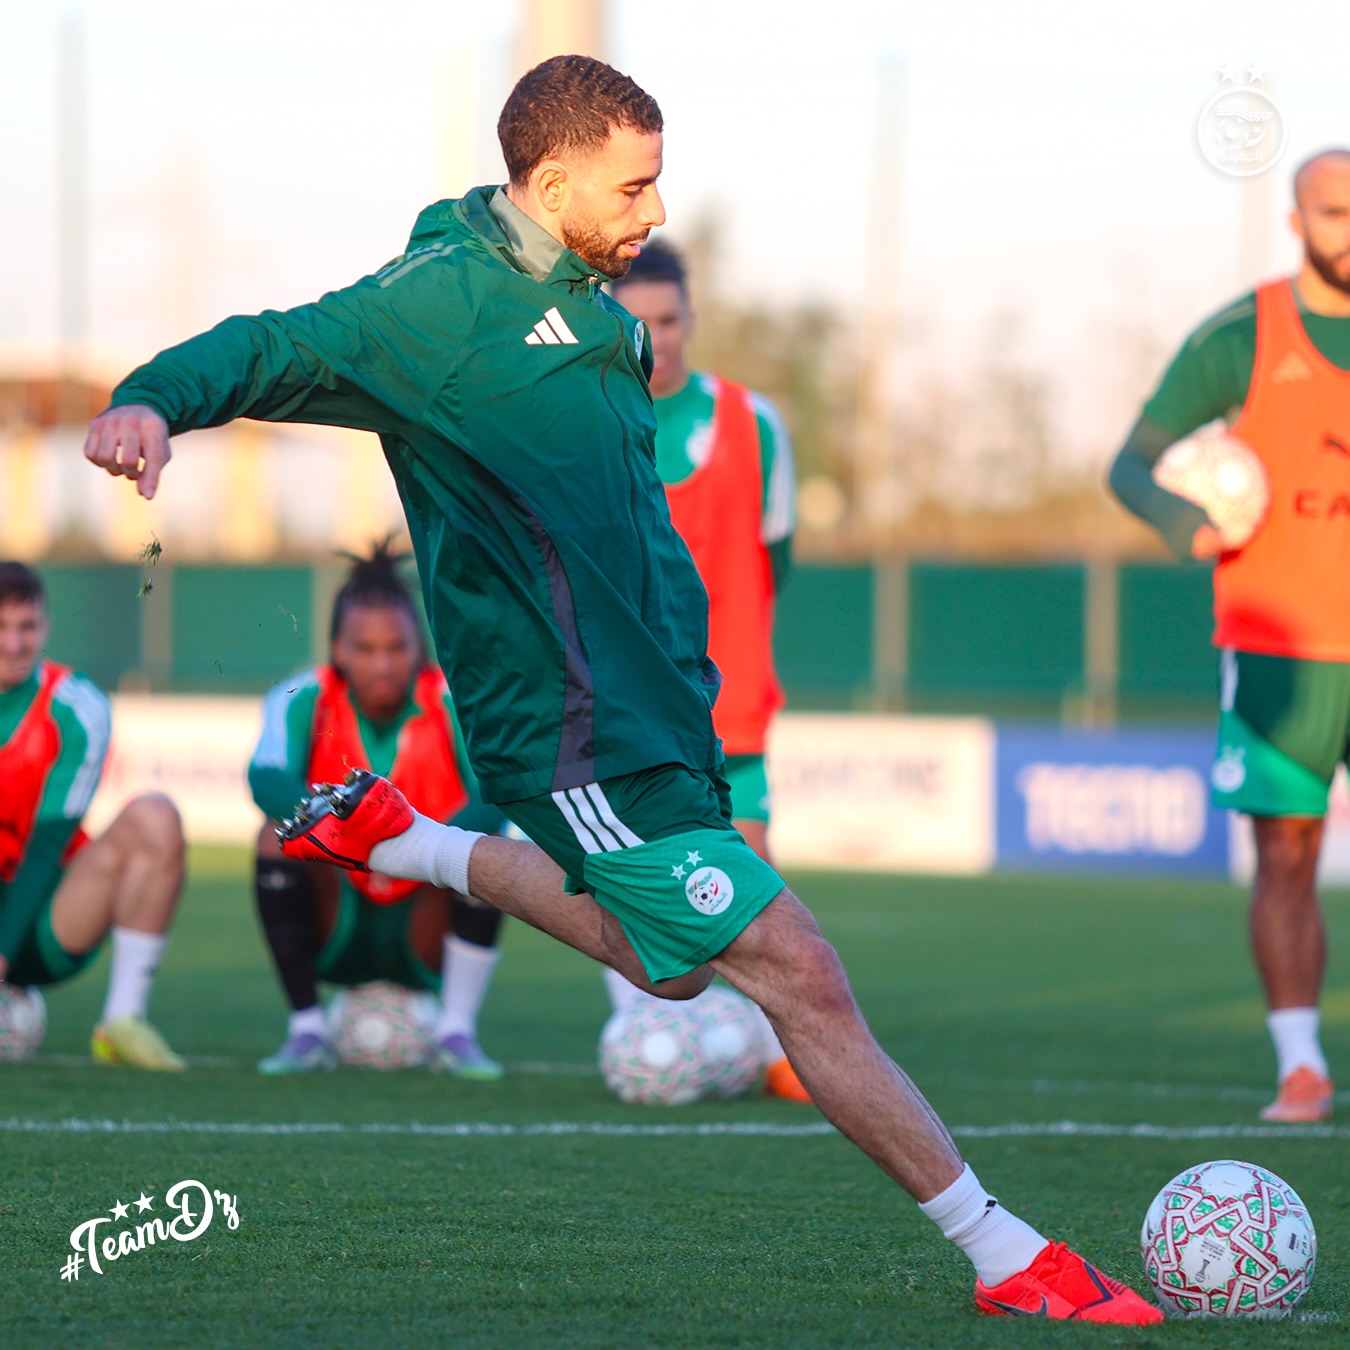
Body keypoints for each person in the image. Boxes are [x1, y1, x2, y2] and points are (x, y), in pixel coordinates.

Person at [84, 55, 1160, 1323]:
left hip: (659, 711)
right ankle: (1008, 1255)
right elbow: (274, 344)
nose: (655, 211)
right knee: (798, 968)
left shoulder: (602, 316)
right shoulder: (434, 306)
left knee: (674, 972)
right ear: (551, 186)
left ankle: (412, 842)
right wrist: (151, 401)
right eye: (633, 187)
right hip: (571, 724)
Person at [1109, 149, 1350, 1125]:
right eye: (1334, 212)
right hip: (1279, 653)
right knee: (1287, 859)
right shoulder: (1246, 334)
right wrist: (1187, 525)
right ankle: (1302, 1066)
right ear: (1298, 222)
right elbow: (1131, 465)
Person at [606, 239, 807, 1102]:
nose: (657, 338)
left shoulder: (754, 422)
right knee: (632, 881)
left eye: (669, 319)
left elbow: (775, 556)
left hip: (731, 700)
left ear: (689, 318)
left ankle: (778, 1050)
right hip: (626, 704)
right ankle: (644, 1030)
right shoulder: (587, 421)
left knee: (751, 882)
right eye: (637, 322)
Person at [248, 541, 508, 1077]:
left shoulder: (455, 699)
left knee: (494, 849)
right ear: (338, 650)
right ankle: (306, 1030)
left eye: (396, 647)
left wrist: (426, 851)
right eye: (365, 648)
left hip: (427, 900)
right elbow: (266, 776)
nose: (382, 663)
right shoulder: (305, 694)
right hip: (339, 898)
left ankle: (457, 1032)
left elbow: (495, 790)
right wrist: (353, 841)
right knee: (269, 837)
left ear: (419, 647)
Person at [0, 560, 185, 1069]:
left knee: (156, 816)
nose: (14, 644)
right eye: (2, 627)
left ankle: (122, 1021)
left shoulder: (77, 707)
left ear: (46, 627)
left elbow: (47, 845)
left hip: (46, 916)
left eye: (27, 626)